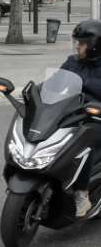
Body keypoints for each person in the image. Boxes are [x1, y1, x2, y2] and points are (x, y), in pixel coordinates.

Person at [61, 19, 101, 217]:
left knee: (85, 144)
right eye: (77, 41)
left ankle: (81, 194)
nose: (77, 46)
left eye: (82, 43)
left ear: (94, 46)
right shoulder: (72, 61)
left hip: (95, 119)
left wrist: (85, 84)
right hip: (71, 114)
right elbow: (56, 81)